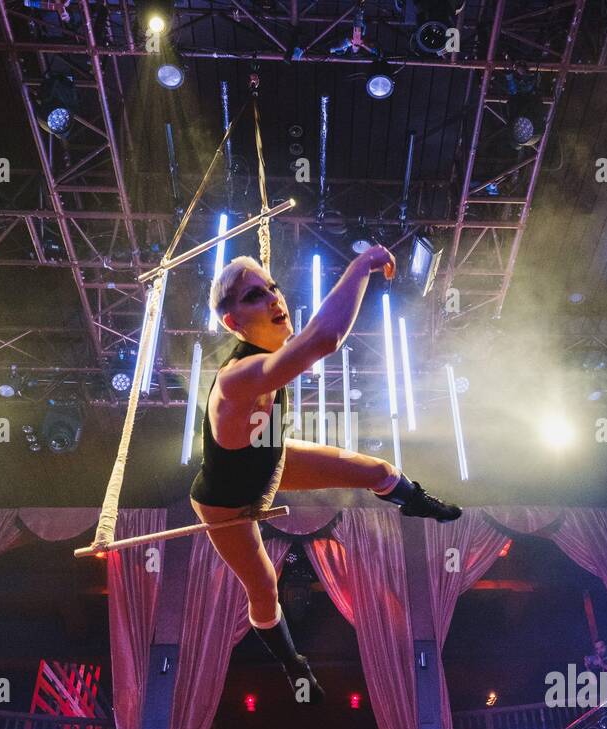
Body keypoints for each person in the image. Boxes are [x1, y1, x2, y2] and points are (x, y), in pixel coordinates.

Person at [190, 247, 462, 704]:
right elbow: (324, 340)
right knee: (262, 587)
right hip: (227, 502)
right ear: (233, 322)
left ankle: (417, 503)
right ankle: (293, 664)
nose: (275, 300)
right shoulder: (237, 378)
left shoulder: (263, 352)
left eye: (273, 288)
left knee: (375, 469)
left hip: (268, 458)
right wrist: (362, 265)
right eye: (257, 296)